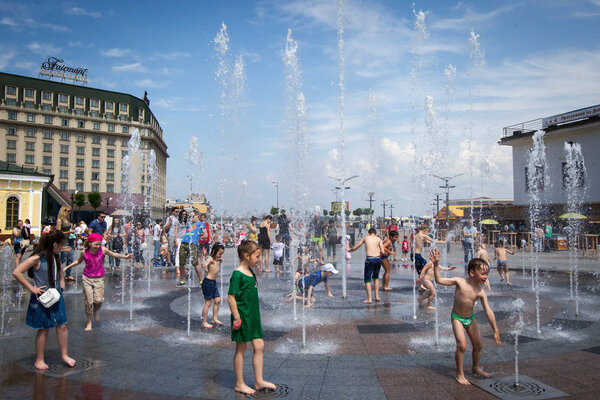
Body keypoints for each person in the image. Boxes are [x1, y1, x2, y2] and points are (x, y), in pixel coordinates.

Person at [430, 248, 501, 385]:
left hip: (470, 318)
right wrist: (436, 264)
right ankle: (460, 374)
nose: (486, 277)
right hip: (457, 317)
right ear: (472, 273)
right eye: (483, 274)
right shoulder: (459, 282)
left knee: (478, 345)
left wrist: (496, 331)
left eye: (487, 274)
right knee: (462, 345)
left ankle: (475, 368)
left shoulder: (480, 292)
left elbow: (488, 311)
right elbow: (439, 280)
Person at [12, 230, 76, 370]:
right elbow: (16, 272)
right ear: (54, 244)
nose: (62, 247)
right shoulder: (36, 258)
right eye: (61, 245)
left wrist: (61, 281)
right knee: (44, 329)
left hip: (56, 295)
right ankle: (39, 359)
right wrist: (32, 288)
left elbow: (59, 268)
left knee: (62, 325)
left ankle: (64, 355)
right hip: (42, 298)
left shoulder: (55, 255)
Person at [227, 240, 276, 395]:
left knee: (259, 345)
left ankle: (259, 381)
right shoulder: (237, 274)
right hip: (242, 317)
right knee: (241, 348)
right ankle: (239, 383)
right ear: (246, 255)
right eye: (257, 256)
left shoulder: (250, 271)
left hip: (253, 316)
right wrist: (236, 317)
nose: (259, 259)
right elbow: (231, 297)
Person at [64, 233, 132, 331]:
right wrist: (67, 267)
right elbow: (78, 262)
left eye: (99, 244)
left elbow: (114, 254)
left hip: (99, 278)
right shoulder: (84, 252)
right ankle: (89, 322)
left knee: (99, 300)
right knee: (88, 302)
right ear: (90, 243)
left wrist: (125, 257)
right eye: (96, 244)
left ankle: (95, 310)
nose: (98, 246)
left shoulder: (103, 250)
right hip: (87, 278)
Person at [349, 227, 386, 304]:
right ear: (375, 234)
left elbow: (356, 247)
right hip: (378, 260)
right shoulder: (378, 239)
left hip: (370, 260)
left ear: (369, 233)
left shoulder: (366, 238)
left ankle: (369, 299)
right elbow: (382, 251)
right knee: (376, 278)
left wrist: (349, 250)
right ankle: (377, 296)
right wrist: (378, 254)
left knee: (367, 279)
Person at [177, 212, 206, 287]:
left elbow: (205, 234)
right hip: (184, 242)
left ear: (197, 216)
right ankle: (182, 281)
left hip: (192, 244)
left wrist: (198, 238)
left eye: (192, 216)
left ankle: (201, 281)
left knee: (195, 263)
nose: (191, 218)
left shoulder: (201, 224)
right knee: (181, 263)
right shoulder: (189, 225)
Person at [201, 243, 225, 328]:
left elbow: (215, 269)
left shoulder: (216, 260)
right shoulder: (210, 258)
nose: (220, 256)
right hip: (208, 283)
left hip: (213, 282)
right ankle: (204, 321)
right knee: (208, 302)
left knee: (218, 300)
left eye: (221, 254)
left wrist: (219, 262)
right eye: (219, 254)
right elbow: (204, 265)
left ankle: (214, 318)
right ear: (214, 251)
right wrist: (204, 257)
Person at [56, 206, 76, 281]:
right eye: (68, 211)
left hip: (70, 239)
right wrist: (69, 232)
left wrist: (72, 230)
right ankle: (57, 272)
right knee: (63, 257)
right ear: (63, 211)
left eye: (70, 211)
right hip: (63, 240)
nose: (69, 212)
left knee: (70, 257)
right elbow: (58, 232)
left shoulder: (67, 219)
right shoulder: (59, 220)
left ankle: (68, 274)